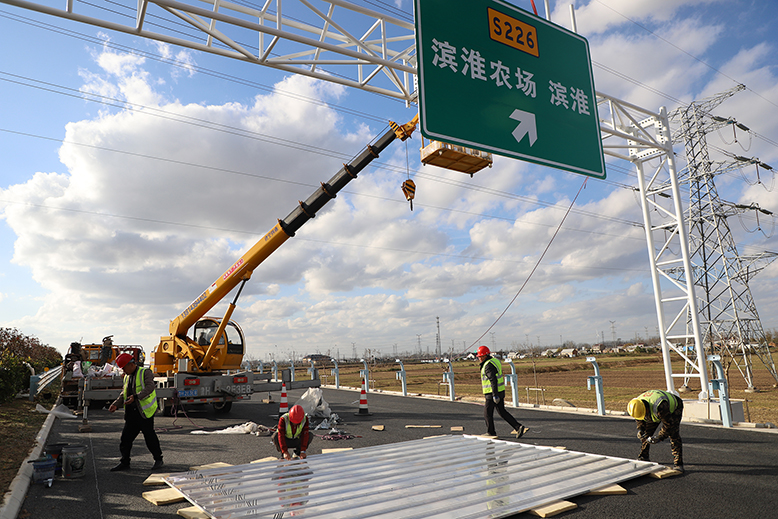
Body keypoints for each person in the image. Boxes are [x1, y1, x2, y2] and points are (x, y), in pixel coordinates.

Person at [108, 353, 163, 471]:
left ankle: (158, 459)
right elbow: (124, 393)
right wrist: (115, 404)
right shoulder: (127, 376)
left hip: (144, 412)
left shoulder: (145, 372)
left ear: (131, 364)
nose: (123, 370)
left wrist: (136, 397)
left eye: (124, 368)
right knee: (125, 439)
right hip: (131, 413)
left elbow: (150, 387)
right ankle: (125, 462)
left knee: (150, 437)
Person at [477, 346, 528, 439]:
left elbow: (493, 380)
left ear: (485, 356)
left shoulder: (488, 365)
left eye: (480, 356)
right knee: (502, 412)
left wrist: (494, 395)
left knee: (487, 413)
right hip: (500, 391)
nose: (479, 358)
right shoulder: (494, 361)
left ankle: (491, 432)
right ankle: (518, 427)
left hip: (492, 393)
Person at [627, 389, 684, 473]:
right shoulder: (636, 405)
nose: (645, 416)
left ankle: (678, 463)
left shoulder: (661, 406)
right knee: (645, 434)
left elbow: (668, 425)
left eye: (645, 414)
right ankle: (643, 457)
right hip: (654, 410)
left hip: (674, 408)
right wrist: (640, 430)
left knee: (673, 434)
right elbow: (639, 419)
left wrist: (659, 437)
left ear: (645, 408)